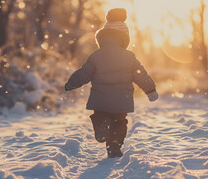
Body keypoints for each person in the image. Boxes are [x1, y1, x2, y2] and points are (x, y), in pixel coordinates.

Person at [65, 8, 158, 158]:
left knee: (100, 116)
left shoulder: (96, 55)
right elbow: (140, 74)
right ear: (125, 38)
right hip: (121, 100)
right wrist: (150, 90)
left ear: (102, 38)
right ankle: (114, 148)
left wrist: (70, 84)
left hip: (100, 99)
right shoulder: (129, 56)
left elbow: (84, 73)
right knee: (120, 123)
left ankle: (100, 127)